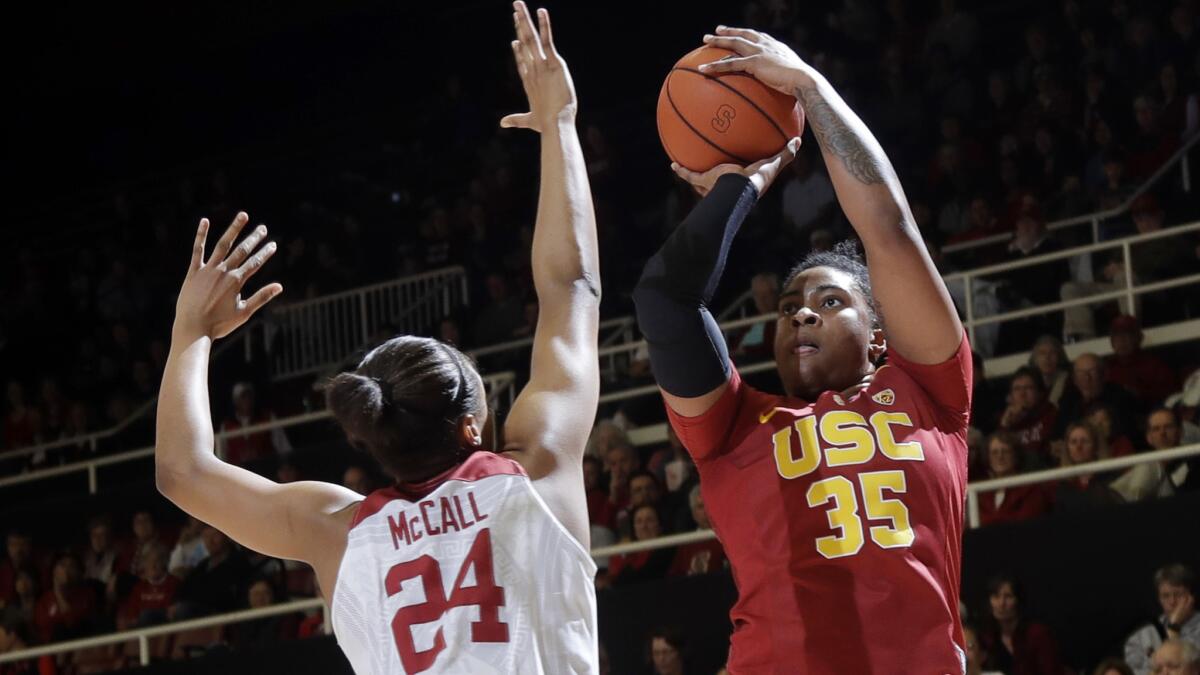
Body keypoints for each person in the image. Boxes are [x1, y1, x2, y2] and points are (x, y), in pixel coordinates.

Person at [152, 4, 602, 673]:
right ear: (473, 426)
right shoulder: (533, 475)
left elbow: (182, 472)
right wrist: (557, 125)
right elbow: (572, 289)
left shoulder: (339, 528)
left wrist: (189, 330)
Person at [634, 25, 971, 672]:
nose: (803, 313)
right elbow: (664, 300)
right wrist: (745, 184)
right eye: (789, 308)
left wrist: (811, 91)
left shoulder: (930, 389)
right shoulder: (734, 423)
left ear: (880, 334)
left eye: (832, 302)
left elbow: (889, 230)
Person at [977, 574, 1063, 675]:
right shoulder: (987, 637)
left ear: (1018, 601)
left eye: (1008, 596)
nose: (1001, 603)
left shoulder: (1037, 635)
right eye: (996, 596)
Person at [1125, 563, 1200, 675]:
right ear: (1159, 599)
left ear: (1191, 597)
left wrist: (1174, 628)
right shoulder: (1141, 637)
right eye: (1165, 596)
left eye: (1178, 595)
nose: (1172, 602)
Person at [977, 432, 1051, 526]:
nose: (1000, 457)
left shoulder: (1030, 489)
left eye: (1005, 451)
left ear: (1015, 455)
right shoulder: (982, 494)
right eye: (994, 452)